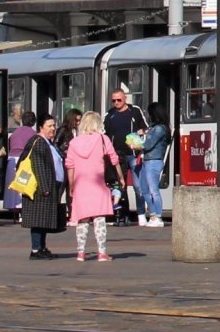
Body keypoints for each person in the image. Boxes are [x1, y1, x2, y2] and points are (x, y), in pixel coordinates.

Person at [64, 111, 122, 261]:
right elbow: (114, 160)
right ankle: (102, 252)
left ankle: (81, 253)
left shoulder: (74, 143)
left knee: (82, 221)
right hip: (99, 185)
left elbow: (70, 165)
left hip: (80, 185)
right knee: (99, 219)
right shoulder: (103, 139)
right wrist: (121, 178)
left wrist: (71, 185)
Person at [17, 114, 66, 259]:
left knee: (44, 219)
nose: (53, 128)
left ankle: (42, 247)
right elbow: (38, 166)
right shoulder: (38, 141)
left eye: (54, 125)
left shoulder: (48, 142)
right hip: (40, 189)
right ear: (41, 127)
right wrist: (45, 187)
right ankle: (36, 250)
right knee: (37, 220)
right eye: (49, 126)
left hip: (49, 186)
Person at [103, 89, 150, 221]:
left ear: (125, 99)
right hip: (118, 155)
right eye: (113, 101)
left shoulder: (134, 110)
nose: (116, 103)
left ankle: (141, 214)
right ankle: (123, 215)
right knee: (120, 185)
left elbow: (146, 127)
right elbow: (104, 135)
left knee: (137, 185)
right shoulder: (109, 115)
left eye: (119, 100)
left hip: (133, 153)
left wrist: (142, 133)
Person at [132, 115, 169, 228]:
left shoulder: (159, 128)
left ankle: (158, 217)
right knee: (144, 189)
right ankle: (153, 215)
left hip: (154, 161)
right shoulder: (152, 128)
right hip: (146, 160)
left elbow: (148, 145)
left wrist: (136, 145)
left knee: (153, 190)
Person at [4, 105, 38, 220]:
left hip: (12, 160)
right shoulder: (33, 134)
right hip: (24, 161)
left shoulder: (15, 132)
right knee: (23, 184)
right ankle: (23, 213)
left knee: (13, 186)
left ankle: (14, 212)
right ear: (34, 122)